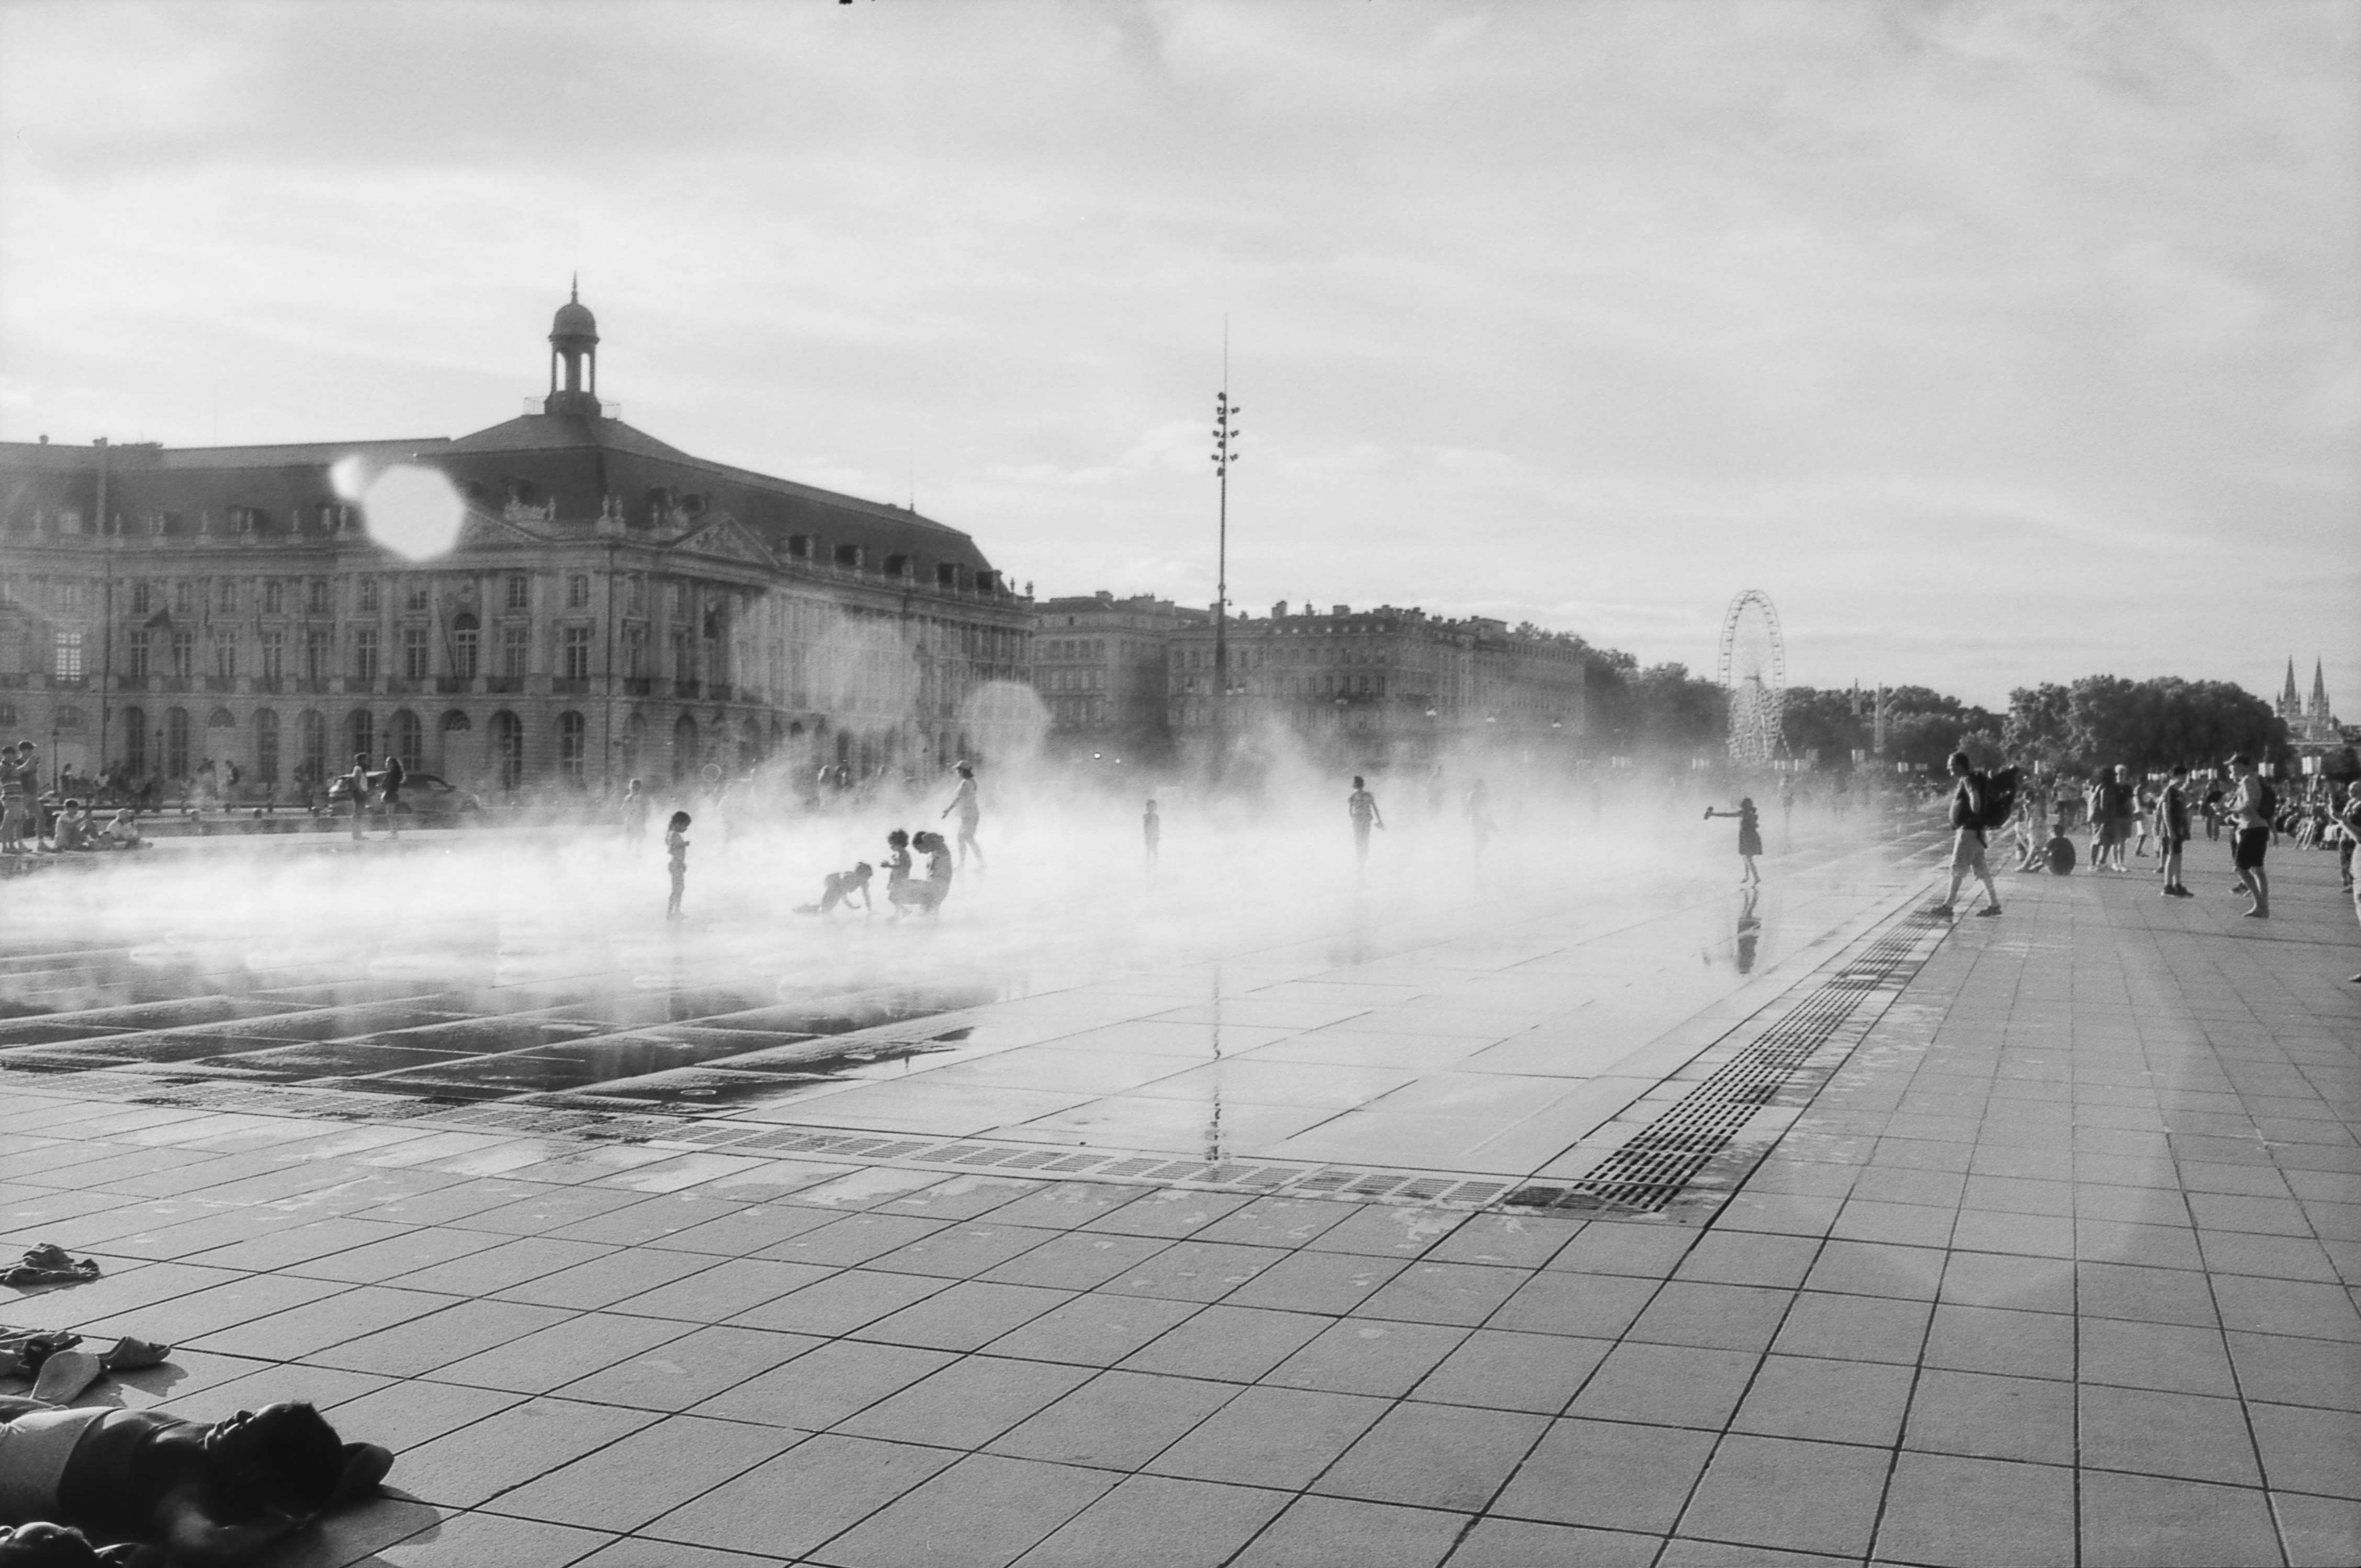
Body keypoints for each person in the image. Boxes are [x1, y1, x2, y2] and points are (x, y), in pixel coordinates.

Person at [0, 1396, 389, 1566]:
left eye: (247, 1424)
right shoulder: (229, 1454)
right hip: (41, 1421)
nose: (238, 1414)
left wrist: (282, 1521)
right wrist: (308, 1507)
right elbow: (374, 1454)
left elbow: (204, 1545)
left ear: (247, 1471)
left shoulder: (180, 1478)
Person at [1932, 751, 2002, 919]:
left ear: (1960, 766)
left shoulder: (1968, 779)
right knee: (1982, 871)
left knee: (1957, 869)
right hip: (1977, 832)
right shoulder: (1975, 778)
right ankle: (1994, 904)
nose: (1949, 769)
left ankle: (1948, 905)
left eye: (1951, 766)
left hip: (1969, 832)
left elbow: (1975, 799)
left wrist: (1974, 810)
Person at [2227, 753, 2270, 918]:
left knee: (2242, 867)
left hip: (2252, 828)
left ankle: (2261, 905)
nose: (2231, 768)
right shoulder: (2253, 780)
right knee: (2258, 869)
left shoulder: (2248, 781)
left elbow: (2251, 805)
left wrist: (2231, 810)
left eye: (2233, 765)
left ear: (2241, 766)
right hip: (2259, 827)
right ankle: (2263, 906)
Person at [1703, 796, 1764, 886]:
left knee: (1747, 858)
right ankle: (1747, 876)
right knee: (1746, 857)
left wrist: (1713, 814)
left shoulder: (1744, 813)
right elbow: (1755, 824)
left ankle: (1756, 878)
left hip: (1748, 837)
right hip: (1750, 836)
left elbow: (1727, 815)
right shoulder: (1751, 813)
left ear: (1744, 806)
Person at [2157, 764, 2194, 898]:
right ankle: (2167, 886)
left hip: (2179, 827)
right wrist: (2169, 830)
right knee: (2172, 855)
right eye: (2184, 776)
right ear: (2176, 776)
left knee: (2178, 856)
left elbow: (2182, 808)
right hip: (2172, 828)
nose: (2185, 779)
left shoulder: (2179, 792)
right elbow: (2165, 811)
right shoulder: (2170, 791)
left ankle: (2178, 884)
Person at [941, 763, 985, 871]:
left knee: (966, 838)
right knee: (964, 838)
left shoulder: (966, 783)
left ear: (963, 771)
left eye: (959, 770)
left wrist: (948, 810)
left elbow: (958, 798)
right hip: (970, 814)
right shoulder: (971, 782)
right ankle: (966, 864)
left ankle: (978, 863)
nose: (957, 773)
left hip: (969, 814)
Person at [794, 862, 873, 916]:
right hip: (833, 884)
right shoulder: (850, 878)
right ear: (859, 874)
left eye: (868, 877)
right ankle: (803, 909)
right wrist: (850, 906)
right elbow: (843, 894)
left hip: (837, 886)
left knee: (827, 908)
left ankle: (806, 908)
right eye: (865, 876)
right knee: (826, 908)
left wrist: (869, 908)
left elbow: (866, 895)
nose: (866, 880)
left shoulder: (864, 882)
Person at [1347, 776, 1384, 867]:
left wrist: (1354, 819)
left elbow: (1350, 811)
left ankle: (1360, 860)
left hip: (1358, 819)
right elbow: (1375, 808)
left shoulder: (1353, 797)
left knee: (1358, 839)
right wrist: (1380, 821)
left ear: (1355, 785)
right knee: (1365, 838)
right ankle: (1364, 857)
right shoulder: (1368, 795)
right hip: (1366, 819)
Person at [663, 810, 691, 919]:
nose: (686, 829)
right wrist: (683, 845)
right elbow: (671, 850)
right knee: (676, 890)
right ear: (678, 824)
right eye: (685, 826)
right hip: (676, 865)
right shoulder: (674, 835)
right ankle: (671, 913)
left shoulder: (673, 834)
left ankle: (676, 911)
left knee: (679, 889)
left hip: (677, 865)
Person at [880, 828, 913, 918]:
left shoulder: (904, 854)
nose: (891, 847)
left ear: (900, 844)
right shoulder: (900, 854)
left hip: (901, 880)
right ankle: (901, 913)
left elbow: (902, 867)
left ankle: (903, 912)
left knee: (894, 898)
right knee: (895, 898)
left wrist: (889, 865)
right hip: (897, 880)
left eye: (892, 845)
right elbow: (898, 867)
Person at [339, 753, 371, 842]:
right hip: (359, 793)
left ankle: (358, 834)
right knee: (358, 814)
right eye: (366, 759)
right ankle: (356, 835)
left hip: (362, 792)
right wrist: (361, 791)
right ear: (362, 760)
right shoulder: (358, 769)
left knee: (359, 814)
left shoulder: (361, 769)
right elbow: (356, 782)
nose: (367, 761)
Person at [1464, 777, 1495, 864]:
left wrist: (1491, 822)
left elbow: (1487, 809)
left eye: (1482, 786)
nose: (1481, 787)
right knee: (1480, 837)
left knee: (1485, 838)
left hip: (1480, 819)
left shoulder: (1482, 795)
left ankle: (1477, 855)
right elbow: (1470, 807)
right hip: (1477, 818)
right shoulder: (1473, 795)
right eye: (1480, 785)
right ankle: (1477, 857)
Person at [375, 753, 405, 840]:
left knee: (390, 814)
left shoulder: (393, 773)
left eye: (388, 763)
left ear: (393, 764)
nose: (386, 765)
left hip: (391, 794)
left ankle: (394, 833)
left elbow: (389, 785)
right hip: (391, 794)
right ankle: (393, 832)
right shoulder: (394, 773)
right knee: (390, 814)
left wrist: (381, 786)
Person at [1142, 799, 1160, 869]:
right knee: (1149, 849)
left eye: (1153, 807)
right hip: (1149, 835)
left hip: (1154, 835)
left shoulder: (1156, 817)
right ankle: (1148, 863)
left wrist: (1157, 835)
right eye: (1149, 807)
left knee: (1154, 849)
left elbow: (1157, 827)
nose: (1151, 809)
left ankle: (1155, 863)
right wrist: (1147, 835)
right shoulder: (1146, 816)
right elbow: (1145, 826)